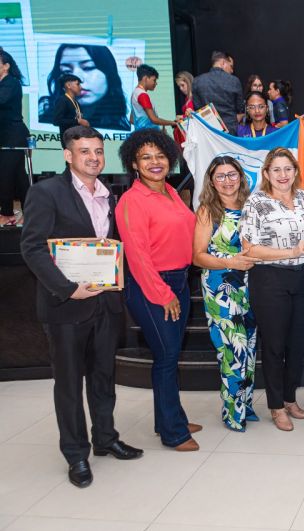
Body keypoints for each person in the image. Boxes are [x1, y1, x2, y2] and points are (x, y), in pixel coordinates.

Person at [20, 125, 143, 489]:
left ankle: (105, 438)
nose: (93, 157)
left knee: (104, 378)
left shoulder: (110, 195)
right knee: (70, 384)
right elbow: (32, 247)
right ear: (67, 155)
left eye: (98, 151)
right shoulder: (46, 192)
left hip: (105, 303)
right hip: (66, 307)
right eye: (85, 151)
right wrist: (67, 289)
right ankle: (76, 453)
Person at [115, 129, 201, 451]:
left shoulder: (170, 191)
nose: (155, 162)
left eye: (160, 155)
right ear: (134, 164)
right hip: (151, 285)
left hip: (179, 280)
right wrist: (163, 294)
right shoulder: (132, 200)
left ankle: (169, 417)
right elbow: (137, 256)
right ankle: (173, 432)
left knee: (171, 355)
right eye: (146, 157)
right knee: (166, 357)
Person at [240, 148, 304, 432]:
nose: (283, 175)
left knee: (298, 344)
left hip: (303, 277)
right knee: (274, 345)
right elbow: (249, 249)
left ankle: (289, 398)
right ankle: (275, 406)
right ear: (266, 173)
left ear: (295, 171)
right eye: (276, 170)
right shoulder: (256, 202)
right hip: (269, 278)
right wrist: (290, 251)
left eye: (288, 169)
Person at [192, 156, 259, 431]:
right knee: (232, 350)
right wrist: (230, 262)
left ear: (241, 177)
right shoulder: (208, 211)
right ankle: (233, 413)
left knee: (249, 347)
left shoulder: (252, 207)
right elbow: (197, 256)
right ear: (211, 181)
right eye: (220, 176)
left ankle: (246, 404)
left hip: (251, 286)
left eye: (232, 175)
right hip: (221, 287)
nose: (227, 181)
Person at [38, 44, 129, 131]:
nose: (78, 79)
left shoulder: (118, 126)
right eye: (66, 71)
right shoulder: (49, 118)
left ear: (109, 73)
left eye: (88, 67)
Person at [0, 49, 30, 226]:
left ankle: (6, 213)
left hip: (13, 135)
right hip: (6, 136)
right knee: (19, 177)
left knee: (4, 174)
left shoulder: (11, 83)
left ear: (6, 66)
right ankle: (30, 213)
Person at [192, 50, 244, 134]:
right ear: (223, 63)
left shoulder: (197, 81)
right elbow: (240, 110)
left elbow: (198, 110)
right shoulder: (234, 81)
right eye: (231, 66)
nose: (232, 71)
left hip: (208, 132)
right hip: (230, 132)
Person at [131, 65, 177, 131]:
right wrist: (172, 123)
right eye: (154, 80)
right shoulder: (142, 95)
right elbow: (154, 119)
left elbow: (132, 120)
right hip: (148, 134)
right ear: (145, 78)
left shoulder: (135, 93)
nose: (156, 83)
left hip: (142, 133)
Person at [52, 74, 90, 144]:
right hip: (69, 142)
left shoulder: (77, 103)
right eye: (78, 84)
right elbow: (57, 121)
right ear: (68, 85)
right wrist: (78, 121)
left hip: (78, 140)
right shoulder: (62, 100)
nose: (81, 87)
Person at [173, 71, 195, 145]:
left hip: (192, 134)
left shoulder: (195, 96)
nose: (181, 88)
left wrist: (182, 117)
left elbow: (197, 115)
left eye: (182, 85)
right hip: (187, 132)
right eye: (179, 86)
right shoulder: (187, 98)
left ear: (188, 82)